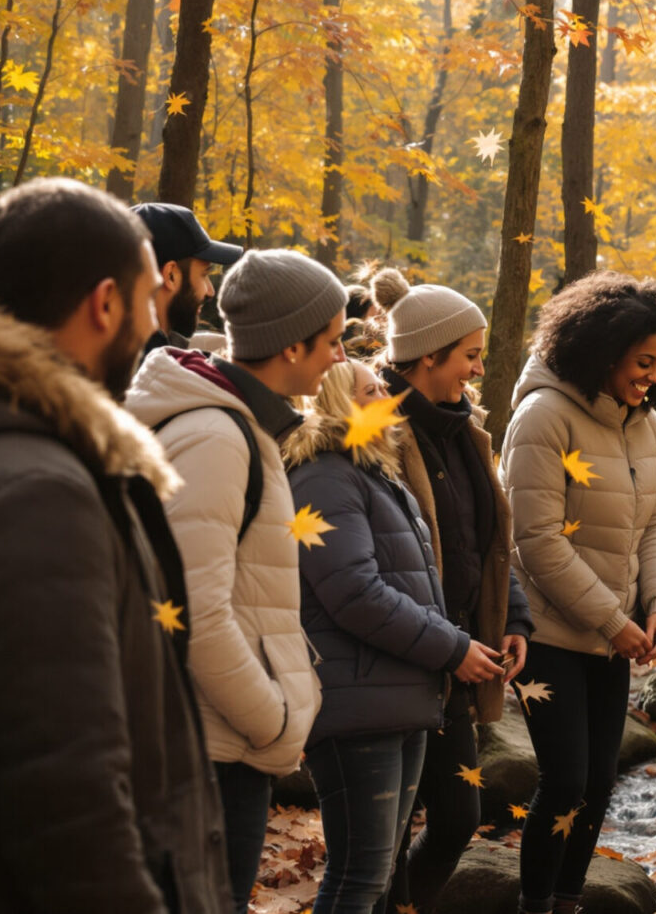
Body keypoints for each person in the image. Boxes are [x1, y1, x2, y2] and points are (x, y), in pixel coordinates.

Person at [0, 179, 231, 912]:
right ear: (105, 304)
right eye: (149, 297)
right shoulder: (32, 494)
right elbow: (69, 805)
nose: (155, 320)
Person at [127, 247, 348, 913]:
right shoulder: (219, 438)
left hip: (222, 744)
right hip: (216, 750)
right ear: (291, 345)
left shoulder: (240, 425)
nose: (340, 356)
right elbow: (192, 608)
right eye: (332, 340)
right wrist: (270, 718)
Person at [502, 273, 656, 914]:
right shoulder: (543, 416)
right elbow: (536, 541)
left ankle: (568, 900)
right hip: (551, 634)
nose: (653, 377)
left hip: (613, 635)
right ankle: (535, 905)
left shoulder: (645, 423)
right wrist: (614, 620)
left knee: (599, 783)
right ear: (603, 352)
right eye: (642, 363)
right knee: (565, 781)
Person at [367, 267, 533, 913]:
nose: (478, 368)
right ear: (428, 356)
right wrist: (447, 646)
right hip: (398, 666)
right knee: (382, 842)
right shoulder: (377, 434)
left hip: (456, 667)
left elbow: (487, 543)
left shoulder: (468, 431)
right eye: (469, 354)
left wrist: (511, 616)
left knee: (459, 818)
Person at [286, 360, 469, 914]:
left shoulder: (375, 473)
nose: (386, 399)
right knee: (358, 878)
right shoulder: (324, 477)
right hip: (358, 708)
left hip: (396, 696)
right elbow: (356, 594)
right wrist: (453, 648)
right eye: (370, 391)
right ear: (338, 404)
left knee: (379, 874)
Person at [133, 201, 242, 352]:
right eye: (204, 274)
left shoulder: (119, 353)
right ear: (171, 275)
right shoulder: (152, 363)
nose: (210, 291)